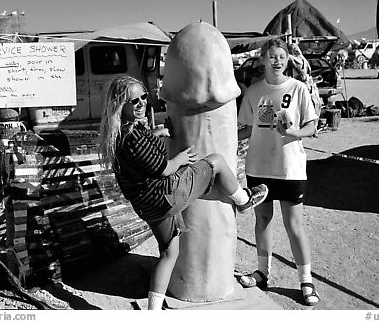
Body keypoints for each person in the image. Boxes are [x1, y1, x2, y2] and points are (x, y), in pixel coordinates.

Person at [99, 75, 268, 310]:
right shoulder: (133, 138)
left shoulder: (120, 135)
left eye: (143, 97)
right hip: (165, 195)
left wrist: (157, 133)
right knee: (216, 162)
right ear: (120, 105)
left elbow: (140, 154)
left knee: (169, 253)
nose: (141, 104)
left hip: (146, 205)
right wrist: (180, 159)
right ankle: (244, 200)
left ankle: (154, 311)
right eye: (133, 101)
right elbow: (164, 169)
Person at [237, 38, 320, 306]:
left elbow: (311, 126)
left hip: (290, 167)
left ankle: (306, 280)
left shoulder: (298, 89)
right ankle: (263, 272)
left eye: (281, 56)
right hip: (259, 167)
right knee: (262, 220)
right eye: (272, 56)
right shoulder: (253, 91)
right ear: (262, 59)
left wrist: (293, 132)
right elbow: (247, 128)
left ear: (288, 60)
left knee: (294, 224)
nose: (277, 61)